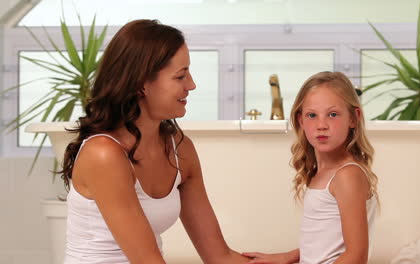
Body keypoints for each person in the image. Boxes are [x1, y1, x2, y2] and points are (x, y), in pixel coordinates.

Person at [60, 19, 249, 264]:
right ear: (141, 84)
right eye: (180, 76)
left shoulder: (180, 148)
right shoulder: (104, 154)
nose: (191, 85)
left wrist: (299, 257)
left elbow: (220, 257)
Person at [242, 71, 379, 264]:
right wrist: (287, 257)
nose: (321, 125)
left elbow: (356, 256)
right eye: (312, 115)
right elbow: (325, 241)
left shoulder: (347, 175)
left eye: (333, 114)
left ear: (353, 118)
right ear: (301, 120)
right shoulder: (322, 173)